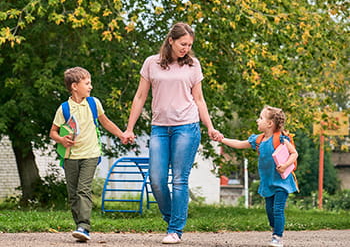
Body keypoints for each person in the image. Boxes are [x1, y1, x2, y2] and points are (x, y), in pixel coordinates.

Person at [123, 22, 223, 244]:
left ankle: (175, 230)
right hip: (159, 128)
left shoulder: (193, 65)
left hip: (186, 126)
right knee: (156, 179)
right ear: (171, 40)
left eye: (189, 45)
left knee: (179, 179)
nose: (186, 48)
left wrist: (210, 126)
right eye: (182, 43)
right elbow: (140, 97)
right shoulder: (152, 63)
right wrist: (129, 128)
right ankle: (173, 221)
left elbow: (199, 99)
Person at [49, 66, 125, 242]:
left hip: (90, 153)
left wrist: (121, 134)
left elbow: (105, 122)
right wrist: (62, 140)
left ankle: (84, 225)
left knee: (83, 190)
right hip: (70, 156)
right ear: (74, 86)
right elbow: (53, 132)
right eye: (87, 83)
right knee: (73, 194)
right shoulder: (64, 108)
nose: (90, 87)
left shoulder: (93, 103)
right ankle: (80, 227)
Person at [220, 105, 298, 247]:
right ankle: (275, 229)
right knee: (269, 210)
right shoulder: (258, 140)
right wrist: (222, 140)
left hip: (282, 182)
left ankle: (277, 237)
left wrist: (286, 165)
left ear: (269, 123)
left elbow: (294, 153)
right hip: (268, 182)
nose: (257, 120)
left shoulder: (281, 139)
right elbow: (239, 144)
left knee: (278, 209)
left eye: (261, 118)